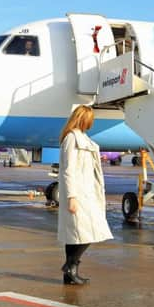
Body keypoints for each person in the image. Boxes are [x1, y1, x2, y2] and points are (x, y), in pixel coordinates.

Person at [57, 105, 113, 285]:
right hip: (78, 192)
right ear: (83, 119)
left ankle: (70, 272)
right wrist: (71, 196)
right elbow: (68, 169)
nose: (92, 122)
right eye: (90, 119)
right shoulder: (72, 138)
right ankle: (69, 266)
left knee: (76, 233)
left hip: (87, 191)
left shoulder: (82, 137)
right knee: (88, 229)